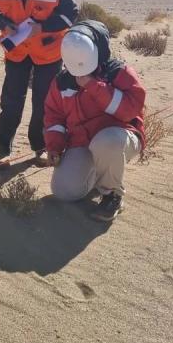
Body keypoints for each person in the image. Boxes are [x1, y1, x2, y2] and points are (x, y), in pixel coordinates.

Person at [44, 20, 146, 222]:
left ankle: (112, 194)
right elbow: (53, 116)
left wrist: (94, 86)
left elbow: (128, 111)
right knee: (64, 191)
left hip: (120, 138)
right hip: (81, 143)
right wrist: (54, 147)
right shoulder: (62, 82)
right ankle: (100, 176)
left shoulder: (118, 73)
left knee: (107, 142)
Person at [0, 0, 79, 166]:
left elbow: (70, 14)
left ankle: (41, 147)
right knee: (11, 101)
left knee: (44, 102)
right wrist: (3, 23)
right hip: (17, 50)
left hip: (47, 52)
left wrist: (43, 27)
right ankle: (3, 152)